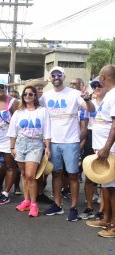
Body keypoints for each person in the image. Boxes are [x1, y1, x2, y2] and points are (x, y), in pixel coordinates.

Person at [40, 66, 95, 221]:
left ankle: (73, 208)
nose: (56, 77)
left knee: (72, 175)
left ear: (63, 76)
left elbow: (90, 109)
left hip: (71, 141)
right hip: (53, 142)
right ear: (50, 78)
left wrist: (87, 99)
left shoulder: (75, 94)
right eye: (53, 75)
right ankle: (57, 205)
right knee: (56, 174)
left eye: (58, 74)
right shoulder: (46, 96)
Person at [8, 86, 51, 217]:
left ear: (35, 96)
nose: (28, 96)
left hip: (36, 144)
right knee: (23, 174)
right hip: (20, 144)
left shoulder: (42, 111)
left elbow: (47, 130)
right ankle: (26, 201)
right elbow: (12, 132)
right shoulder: (18, 112)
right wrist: (12, 147)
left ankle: (34, 204)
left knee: (31, 175)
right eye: (25, 94)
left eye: (30, 94)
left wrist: (47, 147)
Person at [88, 65, 115, 237]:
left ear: (104, 77)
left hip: (110, 149)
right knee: (106, 186)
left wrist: (106, 147)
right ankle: (106, 219)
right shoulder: (109, 95)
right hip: (103, 148)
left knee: (113, 188)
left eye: (99, 77)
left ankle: (113, 225)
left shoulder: (114, 95)